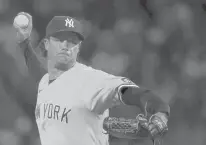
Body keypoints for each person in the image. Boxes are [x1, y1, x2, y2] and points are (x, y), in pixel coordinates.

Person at [13, 12, 170, 145]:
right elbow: (102, 125)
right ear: (47, 44)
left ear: (79, 48)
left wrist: (160, 112)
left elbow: (138, 94)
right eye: (60, 39)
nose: (66, 45)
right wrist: (24, 43)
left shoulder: (92, 81)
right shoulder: (45, 81)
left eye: (73, 41)